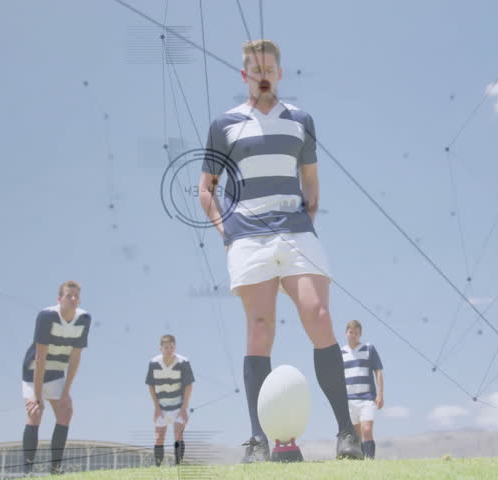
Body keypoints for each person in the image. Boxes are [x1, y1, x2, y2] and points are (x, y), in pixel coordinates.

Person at [198, 38, 363, 462]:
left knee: (318, 314)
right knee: (259, 328)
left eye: (269, 67)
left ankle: (347, 433)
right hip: (247, 236)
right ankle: (257, 440)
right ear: (244, 75)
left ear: (280, 73)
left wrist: (305, 218)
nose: (263, 74)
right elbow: (206, 190)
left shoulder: (300, 120)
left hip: (295, 230)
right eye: (255, 69)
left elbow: (311, 182)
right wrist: (227, 232)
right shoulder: (225, 124)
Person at [21, 281, 91, 474]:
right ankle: (27, 472)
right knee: (35, 413)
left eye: (76, 296)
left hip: (57, 372)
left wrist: (65, 392)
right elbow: (40, 357)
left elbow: (75, 357)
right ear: (59, 299)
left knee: (65, 412)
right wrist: (37, 396)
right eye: (69, 296)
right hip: (33, 371)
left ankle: (55, 469)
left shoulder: (84, 318)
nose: (73, 299)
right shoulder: (47, 317)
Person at [146, 334, 195, 466]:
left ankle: (179, 465)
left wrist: (184, 408)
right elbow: (151, 385)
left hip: (178, 406)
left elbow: (188, 386)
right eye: (166, 347)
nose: (169, 350)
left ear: (175, 347)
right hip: (161, 406)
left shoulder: (183, 362)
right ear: (160, 348)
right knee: (159, 437)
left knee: (178, 435)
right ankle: (157, 466)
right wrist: (156, 407)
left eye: (171, 347)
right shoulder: (154, 363)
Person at [341, 320, 384, 459]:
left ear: (360, 334)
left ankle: (370, 460)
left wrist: (380, 395)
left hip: (367, 398)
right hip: (349, 400)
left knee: (367, 430)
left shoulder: (369, 349)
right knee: (356, 434)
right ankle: (360, 461)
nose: (353, 335)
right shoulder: (341, 353)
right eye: (351, 332)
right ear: (346, 333)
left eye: (357, 333)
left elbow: (378, 371)